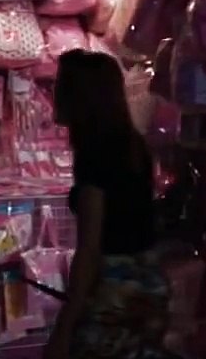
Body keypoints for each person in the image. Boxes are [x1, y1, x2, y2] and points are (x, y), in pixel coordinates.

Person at [44, 50, 167, 359]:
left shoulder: (95, 155)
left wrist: (64, 327)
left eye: (61, 86)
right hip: (147, 283)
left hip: (114, 291)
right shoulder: (133, 145)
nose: (53, 95)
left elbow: (90, 247)